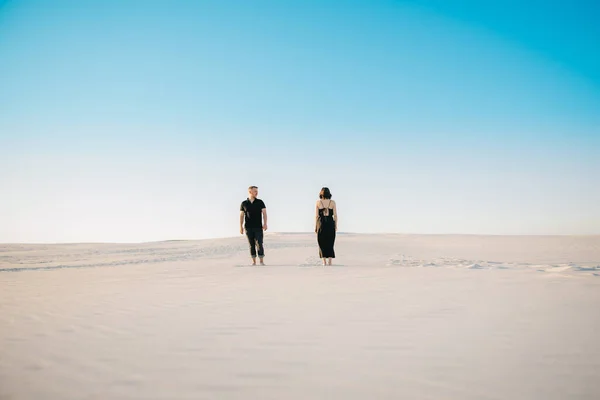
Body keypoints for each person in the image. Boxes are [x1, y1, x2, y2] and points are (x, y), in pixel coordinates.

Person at [240, 186, 268, 265]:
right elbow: (241, 216)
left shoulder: (260, 202)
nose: (257, 192)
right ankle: (254, 262)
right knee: (251, 244)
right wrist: (240, 226)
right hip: (248, 227)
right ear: (250, 192)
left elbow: (264, 213)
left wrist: (265, 223)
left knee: (259, 243)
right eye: (255, 191)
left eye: (257, 191)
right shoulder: (244, 203)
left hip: (258, 227)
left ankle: (261, 261)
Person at [315, 187, 337, 266]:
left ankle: (324, 261)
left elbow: (316, 216)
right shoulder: (332, 202)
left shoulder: (318, 202)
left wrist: (315, 227)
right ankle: (330, 261)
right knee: (330, 242)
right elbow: (335, 216)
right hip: (330, 223)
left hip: (321, 224)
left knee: (322, 242)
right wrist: (336, 225)